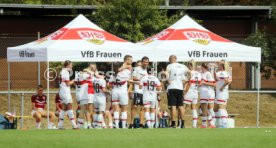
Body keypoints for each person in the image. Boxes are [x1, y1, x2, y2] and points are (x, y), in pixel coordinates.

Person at [166, 55, 190, 128]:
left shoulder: (169, 66)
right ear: (176, 59)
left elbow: (166, 73)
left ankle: (173, 123)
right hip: (180, 88)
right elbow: (190, 73)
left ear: (170, 59)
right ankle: (182, 123)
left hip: (172, 87)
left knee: (173, 106)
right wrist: (186, 79)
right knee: (181, 106)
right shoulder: (183, 66)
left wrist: (167, 80)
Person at [109, 55, 132, 129]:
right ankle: (123, 126)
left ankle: (117, 125)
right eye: (130, 60)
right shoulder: (126, 72)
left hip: (115, 92)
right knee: (124, 109)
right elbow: (128, 80)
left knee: (116, 109)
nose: (131, 61)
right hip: (123, 92)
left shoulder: (113, 74)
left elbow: (109, 84)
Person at [58, 60, 78, 129]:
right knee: (69, 107)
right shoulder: (65, 72)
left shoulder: (62, 71)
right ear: (68, 65)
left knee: (64, 108)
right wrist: (74, 80)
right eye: (71, 65)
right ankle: (74, 125)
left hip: (62, 91)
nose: (72, 66)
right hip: (65, 92)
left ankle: (60, 125)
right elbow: (67, 83)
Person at [130, 58, 149, 129]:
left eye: (147, 62)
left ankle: (141, 123)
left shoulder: (147, 70)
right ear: (142, 62)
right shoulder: (137, 69)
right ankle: (131, 123)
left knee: (142, 108)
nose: (146, 63)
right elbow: (134, 78)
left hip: (144, 91)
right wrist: (141, 79)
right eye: (144, 62)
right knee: (134, 107)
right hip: (138, 91)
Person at [183, 60, 201, 128]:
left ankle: (181, 123)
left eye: (188, 65)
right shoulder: (198, 73)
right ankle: (194, 125)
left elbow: (188, 83)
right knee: (193, 108)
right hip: (195, 92)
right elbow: (199, 83)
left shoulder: (190, 72)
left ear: (190, 65)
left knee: (183, 107)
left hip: (189, 92)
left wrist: (185, 92)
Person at [214, 61, 232, 128]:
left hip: (222, 93)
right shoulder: (220, 73)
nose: (218, 66)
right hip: (219, 93)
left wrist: (222, 87)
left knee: (221, 108)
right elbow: (216, 79)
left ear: (222, 66)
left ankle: (224, 124)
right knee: (215, 109)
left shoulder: (224, 73)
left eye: (219, 65)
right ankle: (217, 124)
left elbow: (228, 81)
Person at [199, 63, 216, 128]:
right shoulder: (202, 74)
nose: (200, 68)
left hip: (207, 92)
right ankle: (205, 124)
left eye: (201, 67)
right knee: (203, 109)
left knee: (205, 108)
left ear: (203, 67)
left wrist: (204, 83)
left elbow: (213, 84)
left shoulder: (208, 73)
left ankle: (211, 123)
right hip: (203, 92)